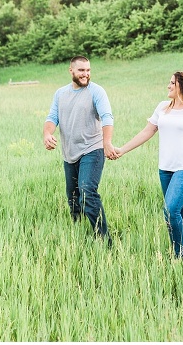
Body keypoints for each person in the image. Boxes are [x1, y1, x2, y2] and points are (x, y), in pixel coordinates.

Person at [108, 71, 183, 258]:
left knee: (170, 210)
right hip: (166, 170)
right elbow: (147, 131)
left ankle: (178, 256)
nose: (168, 86)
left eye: (172, 83)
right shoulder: (163, 107)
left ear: (182, 86)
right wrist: (122, 150)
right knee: (179, 211)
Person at [43, 55, 115, 245]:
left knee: (87, 191)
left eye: (88, 70)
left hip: (93, 149)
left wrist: (107, 143)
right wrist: (47, 134)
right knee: (73, 198)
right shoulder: (60, 93)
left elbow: (107, 117)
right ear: (71, 71)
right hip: (69, 152)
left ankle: (105, 240)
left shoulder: (97, 92)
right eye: (81, 70)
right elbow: (52, 117)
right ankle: (78, 232)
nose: (86, 74)